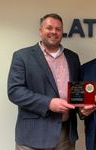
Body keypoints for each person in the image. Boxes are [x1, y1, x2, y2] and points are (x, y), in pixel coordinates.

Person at [7, 13, 80, 150]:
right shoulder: (22, 56)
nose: (54, 32)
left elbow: (77, 90)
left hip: (65, 135)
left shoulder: (72, 57)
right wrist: (48, 103)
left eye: (58, 29)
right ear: (41, 31)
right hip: (33, 136)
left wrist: (83, 107)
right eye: (49, 28)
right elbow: (15, 91)